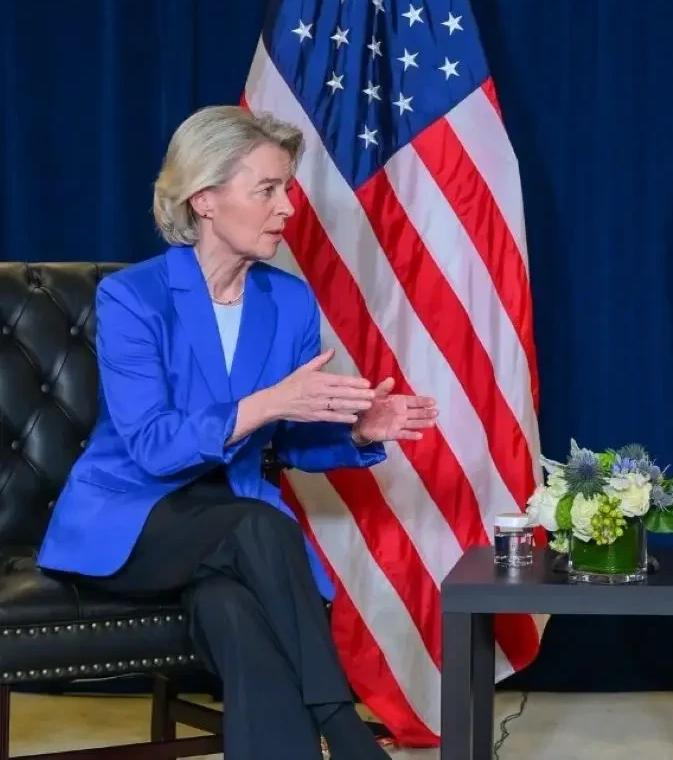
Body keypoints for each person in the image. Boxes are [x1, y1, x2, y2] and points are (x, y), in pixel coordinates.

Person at [36, 106, 437, 760]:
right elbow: (154, 446)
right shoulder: (133, 297)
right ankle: (341, 723)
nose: (288, 207)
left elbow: (288, 441)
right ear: (205, 198)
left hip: (231, 537)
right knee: (259, 524)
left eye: (287, 188)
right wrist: (268, 402)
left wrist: (359, 432)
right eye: (268, 189)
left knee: (235, 615)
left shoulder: (289, 301)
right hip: (134, 519)